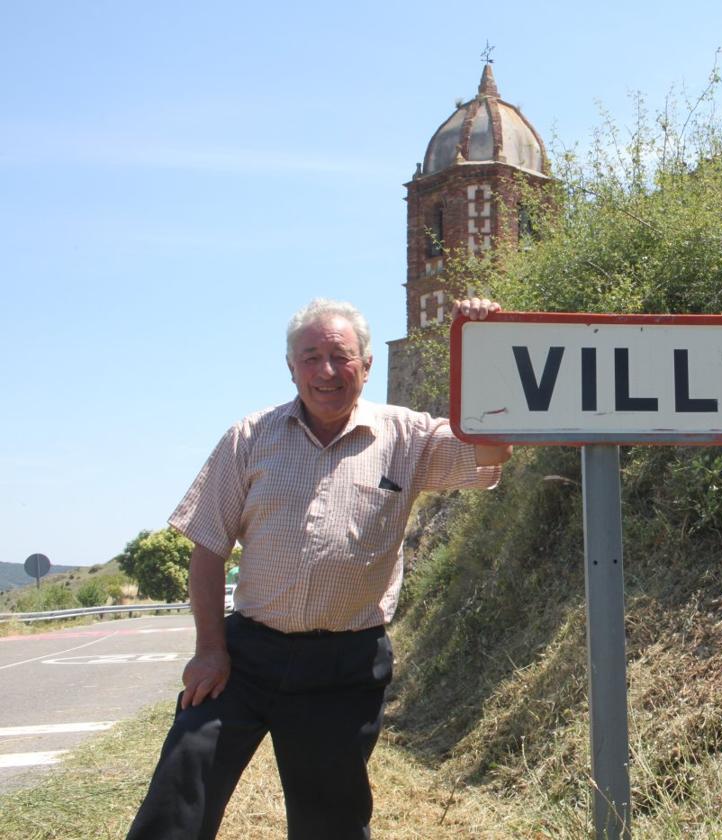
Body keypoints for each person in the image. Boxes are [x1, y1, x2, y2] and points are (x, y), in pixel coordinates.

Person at [127, 297, 512, 840]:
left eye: (340, 356)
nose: (325, 371)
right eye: (310, 357)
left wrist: (485, 342)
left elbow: (491, 450)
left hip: (344, 666)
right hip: (246, 658)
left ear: (368, 365)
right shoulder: (250, 437)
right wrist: (210, 649)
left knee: (330, 822)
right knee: (181, 785)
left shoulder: (408, 436)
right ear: (290, 368)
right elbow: (208, 547)